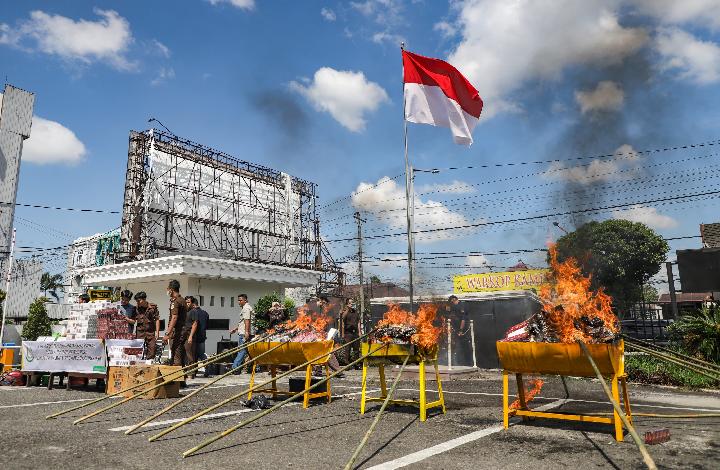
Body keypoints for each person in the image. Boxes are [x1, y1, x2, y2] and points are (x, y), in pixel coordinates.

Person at [129, 291, 160, 360]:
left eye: (139, 300)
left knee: (152, 351)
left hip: (150, 333)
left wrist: (157, 332)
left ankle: (149, 366)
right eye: (136, 301)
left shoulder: (153, 308)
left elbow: (157, 320)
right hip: (140, 333)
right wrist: (126, 319)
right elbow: (133, 321)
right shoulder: (135, 309)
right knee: (139, 352)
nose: (137, 302)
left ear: (144, 299)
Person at [163, 279, 187, 368]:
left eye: (168, 289)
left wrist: (167, 333)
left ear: (171, 290)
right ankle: (182, 381)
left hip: (177, 332)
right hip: (183, 331)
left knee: (176, 356)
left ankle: (177, 381)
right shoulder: (182, 300)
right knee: (181, 355)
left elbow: (174, 317)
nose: (167, 291)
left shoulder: (176, 301)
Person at [230, 294, 254, 373]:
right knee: (248, 351)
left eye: (240, 300)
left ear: (245, 300)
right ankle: (252, 367)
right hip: (244, 332)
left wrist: (246, 332)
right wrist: (235, 329)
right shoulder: (245, 308)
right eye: (238, 300)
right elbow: (243, 322)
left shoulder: (246, 308)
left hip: (244, 333)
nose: (239, 302)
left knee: (242, 350)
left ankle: (235, 367)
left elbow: (247, 320)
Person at [446, 295, 469, 366]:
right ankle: (457, 362)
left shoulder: (461, 306)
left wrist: (461, 330)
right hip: (456, 330)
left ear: (454, 299)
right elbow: (448, 310)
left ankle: (465, 363)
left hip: (463, 331)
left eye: (452, 302)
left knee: (463, 346)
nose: (452, 304)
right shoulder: (454, 307)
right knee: (455, 346)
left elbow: (463, 319)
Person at [183, 296, 201, 379]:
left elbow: (195, 324)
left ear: (192, 303)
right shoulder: (185, 311)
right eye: (186, 302)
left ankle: (191, 373)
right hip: (183, 334)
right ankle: (185, 372)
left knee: (189, 354)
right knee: (184, 354)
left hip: (190, 334)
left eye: (189, 302)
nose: (187, 304)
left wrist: (190, 336)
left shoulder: (193, 311)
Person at [341, 298, 360, 366]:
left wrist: (359, 332)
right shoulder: (345, 312)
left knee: (356, 349)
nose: (351, 304)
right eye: (350, 303)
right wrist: (347, 309)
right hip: (348, 332)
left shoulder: (355, 312)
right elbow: (342, 319)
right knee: (347, 349)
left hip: (355, 332)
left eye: (352, 303)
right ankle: (347, 364)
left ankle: (357, 364)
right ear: (347, 304)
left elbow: (358, 322)